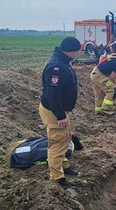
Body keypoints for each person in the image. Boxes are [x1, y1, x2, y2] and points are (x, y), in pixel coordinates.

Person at [39, 37, 81, 188]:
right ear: (71, 51)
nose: (79, 53)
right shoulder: (57, 66)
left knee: (64, 138)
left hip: (59, 109)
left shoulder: (62, 60)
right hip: (54, 111)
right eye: (78, 50)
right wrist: (60, 115)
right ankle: (57, 177)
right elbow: (52, 93)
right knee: (57, 141)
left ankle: (63, 165)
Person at [90, 49, 116, 116]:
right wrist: (114, 85)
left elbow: (102, 57)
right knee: (112, 90)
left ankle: (98, 111)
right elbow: (112, 77)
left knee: (99, 93)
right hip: (99, 76)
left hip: (94, 73)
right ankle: (106, 109)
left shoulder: (112, 56)